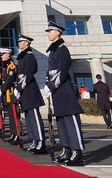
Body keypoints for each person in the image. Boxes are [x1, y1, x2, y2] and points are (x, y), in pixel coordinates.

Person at [44, 22, 85, 166]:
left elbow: (62, 71)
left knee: (71, 122)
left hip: (65, 91)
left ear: (58, 33)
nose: (48, 33)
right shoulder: (53, 51)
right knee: (61, 122)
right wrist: (47, 84)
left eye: (50, 31)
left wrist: (51, 85)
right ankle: (66, 150)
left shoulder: (62, 50)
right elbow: (50, 71)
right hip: (57, 92)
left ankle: (77, 153)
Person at [15, 35, 47, 154]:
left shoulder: (29, 57)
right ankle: (34, 140)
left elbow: (28, 74)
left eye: (21, 42)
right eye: (19, 42)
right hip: (24, 91)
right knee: (28, 118)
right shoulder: (22, 58)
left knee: (35, 117)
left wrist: (19, 87)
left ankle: (41, 142)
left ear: (27, 43)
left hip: (30, 90)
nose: (19, 43)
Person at [0, 48, 21, 146]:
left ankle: (17, 134)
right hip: (7, 94)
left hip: (11, 93)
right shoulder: (5, 66)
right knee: (11, 116)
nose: (2, 56)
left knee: (14, 116)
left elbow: (9, 79)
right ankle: (13, 134)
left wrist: (2, 88)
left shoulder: (11, 66)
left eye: (3, 54)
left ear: (8, 55)